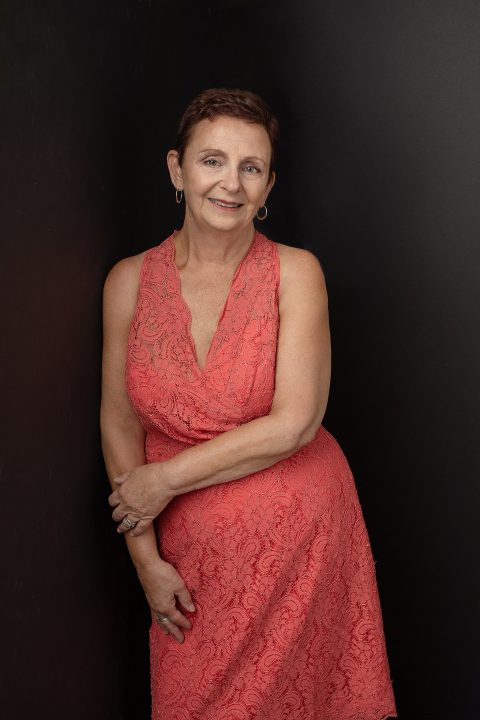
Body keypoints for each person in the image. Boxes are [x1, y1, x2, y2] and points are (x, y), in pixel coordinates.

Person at [100, 87, 398, 720]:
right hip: (191, 565)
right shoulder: (128, 281)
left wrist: (164, 479)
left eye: (250, 167)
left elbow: (296, 423)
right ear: (178, 170)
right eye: (212, 161)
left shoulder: (297, 272)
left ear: (268, 187)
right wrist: (144, 561)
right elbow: (119, 420)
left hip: (302, 552)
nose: (229, 183)